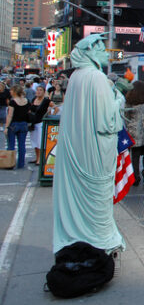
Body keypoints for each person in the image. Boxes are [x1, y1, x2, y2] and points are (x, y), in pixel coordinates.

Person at [52, 34, 125, 254]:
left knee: (80, 201)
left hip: (77, 149)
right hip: (94, 152)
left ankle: (79, 237)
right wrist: (119, 100)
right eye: (101, 48)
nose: (105, 51)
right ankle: (99, 242)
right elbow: (107, 123)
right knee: (97, 205)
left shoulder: (75, 77)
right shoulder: (97, 78)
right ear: (90, 52)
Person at [5, 84, 30, 169]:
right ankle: (21, 164)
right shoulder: (26, 100)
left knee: (11, 145)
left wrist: (6, 127)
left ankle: (10, 163)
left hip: (14, 124)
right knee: (22, 145)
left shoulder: (13, 102)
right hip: (24, 124)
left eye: (11, 90)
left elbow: (10, 115)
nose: (10, 92)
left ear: (15, 91)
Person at [29, 85, 52, 165]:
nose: (38, 92)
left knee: (40, 142)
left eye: (40, 90)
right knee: (34, 141)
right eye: (37, 90)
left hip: (41, 122)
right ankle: (37, 157)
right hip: (33, 123)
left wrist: (48, 115)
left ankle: (40, 159)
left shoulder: (46, 100)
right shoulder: (34, 99)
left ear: (44, 91)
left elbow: (55, 108)